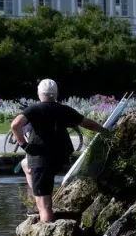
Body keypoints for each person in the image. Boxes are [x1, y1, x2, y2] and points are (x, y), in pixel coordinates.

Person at [10, 79, 106, 224]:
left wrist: (24, 145)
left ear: (39, 93)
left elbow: (15, 125)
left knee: (45, 206)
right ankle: (37, 194)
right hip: (61, 156)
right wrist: (104, 131)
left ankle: (48, 235)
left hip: (41, 158)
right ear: (56, 94)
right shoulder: (64, 109)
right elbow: (86, 123)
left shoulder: (34, 110)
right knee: (25, 164)